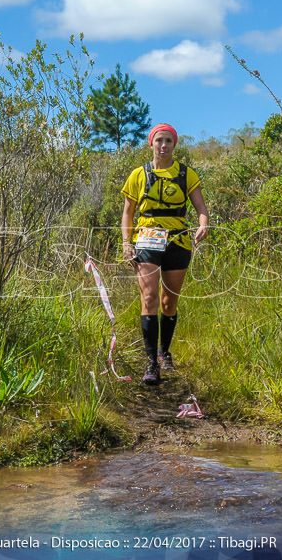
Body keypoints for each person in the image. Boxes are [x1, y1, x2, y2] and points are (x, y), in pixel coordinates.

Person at [121, 123, 209, 385]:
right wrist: (127, 243)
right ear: (151, 143)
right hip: (146, 240)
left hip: (178, 241)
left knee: (169, 302)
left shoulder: (186, 174)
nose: (163, 145)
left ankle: (164, 353)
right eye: (159, 140)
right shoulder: (138, 175)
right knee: (149, 297)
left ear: (174, 144)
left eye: (168, 141)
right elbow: (128, 212)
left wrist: (203, 224)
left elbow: (201, 208)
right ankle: (150, 364)